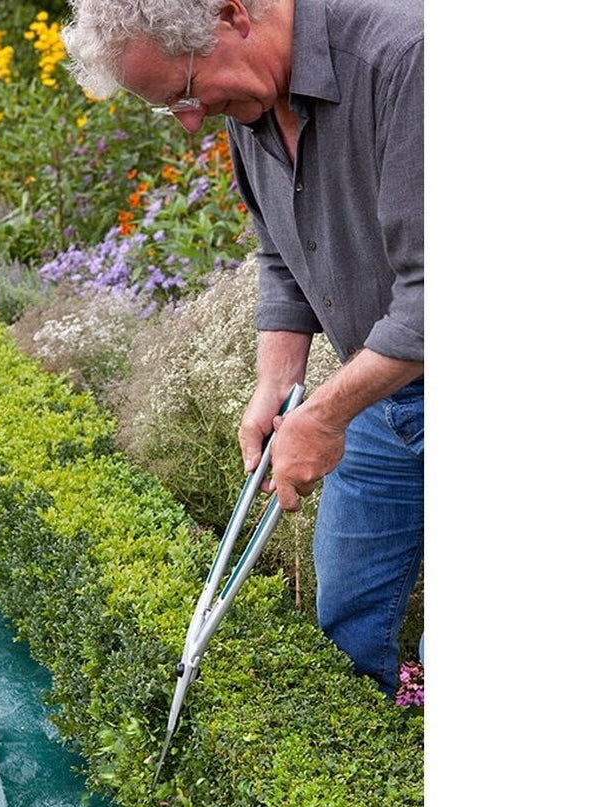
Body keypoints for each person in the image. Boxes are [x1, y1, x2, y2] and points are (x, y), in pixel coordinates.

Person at [61, 0, 423, 697]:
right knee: (346, 625)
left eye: (186, 93)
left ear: (231, 15)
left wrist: (320, 417)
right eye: (172, 109)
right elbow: (284, 257)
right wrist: (276, 386)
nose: (192, 121)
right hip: (381, 389)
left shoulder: (406, 60)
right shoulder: (251, 104)